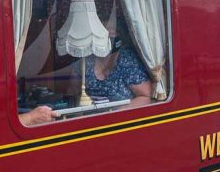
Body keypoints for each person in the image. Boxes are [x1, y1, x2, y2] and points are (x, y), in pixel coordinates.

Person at [19, 24, 152, 126]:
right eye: (103, 32)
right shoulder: (85, 60)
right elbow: (73, 94)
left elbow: (146, 96)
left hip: (118, 122)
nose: (108, 36)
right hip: (87, 120)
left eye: (112, 33)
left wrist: (112, 115)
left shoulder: (126, 59)